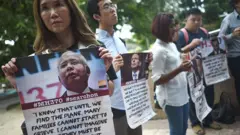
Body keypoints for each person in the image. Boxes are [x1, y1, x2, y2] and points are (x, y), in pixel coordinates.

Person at [1, 0, 117, 134]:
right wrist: (19, 85)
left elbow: (110, 90)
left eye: (58, 5)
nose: (53, 14)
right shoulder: (34, 59)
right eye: (45, 8)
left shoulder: (96, 48)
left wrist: (102, 73)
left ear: (71, 9)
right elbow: (38, 116)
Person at [87, 0, 151, 134]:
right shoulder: (92, 44)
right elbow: (90, 83)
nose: (112, 9)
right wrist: (112, 71)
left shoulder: (120, 41)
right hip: (112, 109)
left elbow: (128, 72)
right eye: (106, 7)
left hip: (131, 105)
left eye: (112, 5)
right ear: (96, 16)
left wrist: (143, 64)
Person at [176, 8, 222, 135]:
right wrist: (190, 46)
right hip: (191, 73)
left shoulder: (204, 32)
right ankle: (195, 123)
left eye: (199, 20)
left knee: (209, 94)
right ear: (186, 20)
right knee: (193, 97)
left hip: (206, 70)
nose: (196, 22)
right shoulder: (181, 34)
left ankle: (208, 120)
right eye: (193, 20)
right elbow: (177, 54)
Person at [151, 13, 191, 135]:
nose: (176, 28)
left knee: (183, 128)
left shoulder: (171, 44)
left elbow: (173, 64)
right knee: (177, 131)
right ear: (163, 28)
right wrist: (179, 69)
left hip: (182, 93)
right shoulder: (158, 50)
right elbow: (156, 79)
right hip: (171, 97)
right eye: (172, 25)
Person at [219, 0, 240, 107]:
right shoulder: (228, 19)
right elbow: (220, 40)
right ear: (236, 3)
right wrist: (232, 35)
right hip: (236, 57)